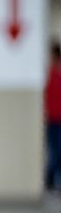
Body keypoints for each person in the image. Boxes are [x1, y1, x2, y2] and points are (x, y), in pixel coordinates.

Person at [46, 39, 61, 193]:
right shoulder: (50, 73)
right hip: (53, 119)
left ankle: (53, 180)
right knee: (54, 151)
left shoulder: (53, 74)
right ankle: (51, 180)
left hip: (56, 118)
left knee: (56, 151)